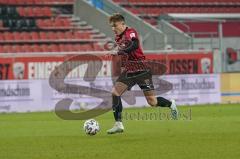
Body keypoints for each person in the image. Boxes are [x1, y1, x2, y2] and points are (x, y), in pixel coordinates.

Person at [107, 13, 178, 134]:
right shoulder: (117, 38)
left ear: (122, 24)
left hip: (141, 70)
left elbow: (134, 45)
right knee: (115, 93)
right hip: (129, 71)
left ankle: (171, 104)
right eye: (111, 27)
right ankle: (118, 124)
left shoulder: (131, 32)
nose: (113, 29)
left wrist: (119, 52)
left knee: (152, 102)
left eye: (115, 25)